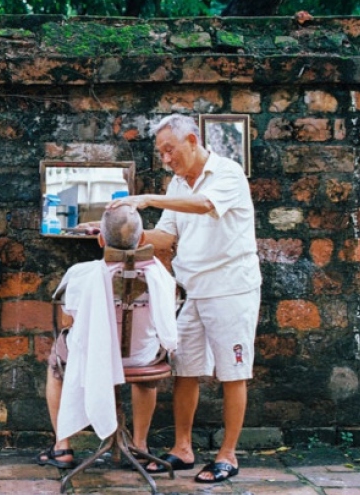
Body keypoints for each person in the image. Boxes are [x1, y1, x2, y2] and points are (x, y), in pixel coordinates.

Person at [108, 114, 261, 483]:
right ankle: (182, 448)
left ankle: (228, 454)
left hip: (231, 288)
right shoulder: (178, 183)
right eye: (161, 153)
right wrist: (120, 234)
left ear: (192, 141)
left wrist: (146, 197)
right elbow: (163, 237)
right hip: (190, 288)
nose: (166, 159)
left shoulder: (227, 173)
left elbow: (205, 205)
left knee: (232, 372)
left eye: (169, 150)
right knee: (185, 369)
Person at [38, 204, 177, 469]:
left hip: (96, 358)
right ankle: (140, 444)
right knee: (146, 372)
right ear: (143, 238)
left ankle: (62, 446)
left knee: (57, 362)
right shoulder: (160, 275)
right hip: (141, 358)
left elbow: (70, 315)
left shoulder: (82, 274)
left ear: (101, 239)